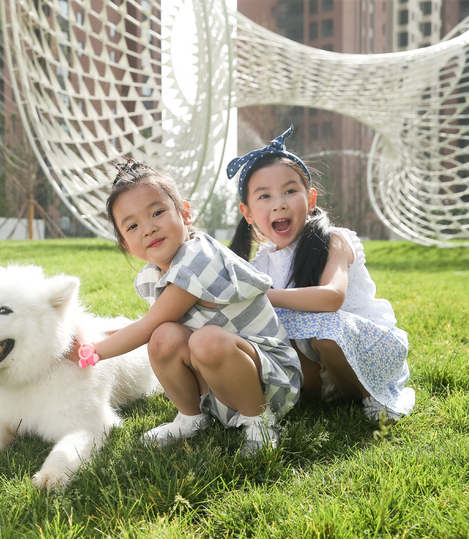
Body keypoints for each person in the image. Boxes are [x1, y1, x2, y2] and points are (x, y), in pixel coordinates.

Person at [75, 159, 302, 455]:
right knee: (164, 337)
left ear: (185, 213)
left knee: (204, 340)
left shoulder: (198, 259)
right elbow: (152, 325)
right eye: (133, 225)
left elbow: (144, 327)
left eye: (157, 212)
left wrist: (89, 354)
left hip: (270, 382)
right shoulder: (157, 273)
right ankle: (191, 418)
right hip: (221, 377)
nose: (149, 228)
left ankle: (259, 422)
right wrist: (85, 334)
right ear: (126, 243)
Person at [229, 125, 415, 421]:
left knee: (325, 333)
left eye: (290, 191)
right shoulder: (260, 265)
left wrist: (263, 294)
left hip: (367, 346)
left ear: (311, 199)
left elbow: (332, 298)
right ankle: (320, 394)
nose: (279, 203)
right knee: (274, 334)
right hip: (318, 354)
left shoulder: (333, 240)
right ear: (248, 213)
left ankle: (370, 396)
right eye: (264, 196)